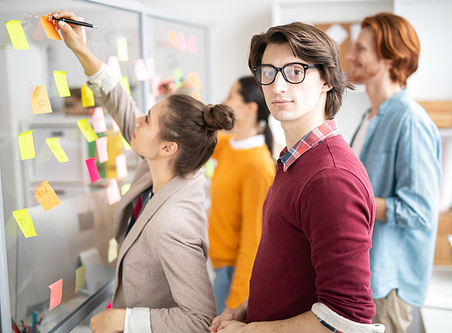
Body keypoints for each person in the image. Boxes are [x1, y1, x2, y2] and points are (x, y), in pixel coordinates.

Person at [50, 10, 235, 333]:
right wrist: (81, 49)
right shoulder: (173, 167)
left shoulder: (171, 223)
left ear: (167, 148)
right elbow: (121, 105)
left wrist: (124, 320)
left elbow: (200, 319)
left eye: (147, 119)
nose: (137, 120)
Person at [211, 22, 385, 333]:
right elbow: (291, 272)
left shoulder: (330, 177)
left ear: (326, 81)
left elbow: (348, 318)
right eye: (269, 72)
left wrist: (251, 331)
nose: (277, 86)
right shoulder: (295, 160)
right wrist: (246, 310)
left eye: (295, 71)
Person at [346, 13, 441, 333]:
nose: (350, 56)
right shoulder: (368, 118)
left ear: (388, 56)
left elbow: (420, 210)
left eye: (360, 49)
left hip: (386, 287)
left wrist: (351, 200)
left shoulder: (410, 121)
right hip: (362, 279)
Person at [208, 76, 275, 315]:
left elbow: (254, 239)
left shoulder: (258, 166)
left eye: (230, 96)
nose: (223, 101)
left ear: (250, 108)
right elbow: (197, 138)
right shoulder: (230, 146)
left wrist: (236, 301)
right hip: (219, 268)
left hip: (234, 275)